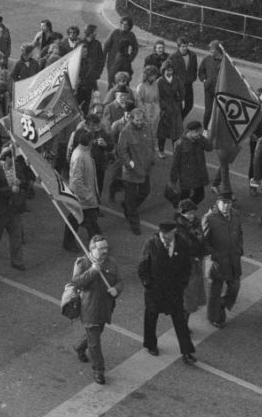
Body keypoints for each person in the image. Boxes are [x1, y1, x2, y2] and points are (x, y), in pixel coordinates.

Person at [138, 222, 197, 364]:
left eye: (167, 235)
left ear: (174, 232)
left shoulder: (182, 245)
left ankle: (187, 351)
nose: (164, 238)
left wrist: (182, 284)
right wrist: (148, 283)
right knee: (151, 318)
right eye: (162, 235)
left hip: (174, 291)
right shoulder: (151, 244)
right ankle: (150, 344)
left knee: (180, 321)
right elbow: (143, 266)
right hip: (155, 290)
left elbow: (186, 267)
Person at [71, 235, 123, 385]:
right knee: (95, 341)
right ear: (92, 249)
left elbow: (120, 280)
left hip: (106, 307)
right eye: (102, 248)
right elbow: (76, 283)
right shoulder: (83, 263)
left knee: (95, 335)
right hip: (90, 308)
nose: (105, 251)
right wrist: (93, 271)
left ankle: (79, 347)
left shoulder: (111, 261)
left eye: (106, 247)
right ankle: (98, 370)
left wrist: (117, 289)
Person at [202, 186, 243, 329]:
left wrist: (239, 249)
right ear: (217, 203)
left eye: (229, 203)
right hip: (217, 261)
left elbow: (240, 233)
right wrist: (214, 255)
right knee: (215, 289)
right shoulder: (209, 218)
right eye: (224, 203)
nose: (226, 206)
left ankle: (222, 304)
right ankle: (214, 317)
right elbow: (204, 242)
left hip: (233, 258)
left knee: (235, 285)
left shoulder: (236, 215)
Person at [116, 107, 155, 234]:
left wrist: (152, 158)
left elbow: (151, 144)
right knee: (131, 198)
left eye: (141, 120)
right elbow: (122, 151)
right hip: (132, 171)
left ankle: (128, 207)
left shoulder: (147, 127)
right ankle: (134, 223)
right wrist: (129, 164)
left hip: (145, 168)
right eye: (137, 120)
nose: (140, 122)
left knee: (145, 191)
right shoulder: (126, 131)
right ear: (131, 119)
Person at [64, 130, 102, 252]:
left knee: (78, 218)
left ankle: (96, 242)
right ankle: (98, 244)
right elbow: (76, 181)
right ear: (89, 142)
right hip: (83, 197)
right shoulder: (81, 156)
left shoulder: (82, 152)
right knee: (84, 219)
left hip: (84, 196)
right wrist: (88, 196)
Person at [174, 199, 206, 317]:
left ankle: (184, 319)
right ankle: (183, 323)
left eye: (193, 213)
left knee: (192, 290)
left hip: (196, 262)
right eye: (189, 213)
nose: (192, 216)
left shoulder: (197, 223)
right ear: (182, 213)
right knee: (188, 293)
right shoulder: (177, 229)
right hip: (185, 265)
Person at [169, 120, 213, 206]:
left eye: (199, 131)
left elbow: (209, 148)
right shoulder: (180, 144)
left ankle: (185, 210)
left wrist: (201, 139)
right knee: (185, 197)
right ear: (189, 131)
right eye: (196, 132)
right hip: (186, 176)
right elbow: (175, 163)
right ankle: (184, 211)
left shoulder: (199, 139)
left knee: (200, 196)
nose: (198, 134)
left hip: (199, 175)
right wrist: (172, 180)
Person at [197, 41, 223, 131]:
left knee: (219, 112)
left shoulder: (225, 62)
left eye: (212, 49)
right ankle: (205, 128)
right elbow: (201, 71)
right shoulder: (207, 59)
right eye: (210, 48)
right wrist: (204, 80)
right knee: (208, 111)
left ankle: (217, 130)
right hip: (209, 88)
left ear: (218, 49)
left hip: (221, 90)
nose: (210, 50)